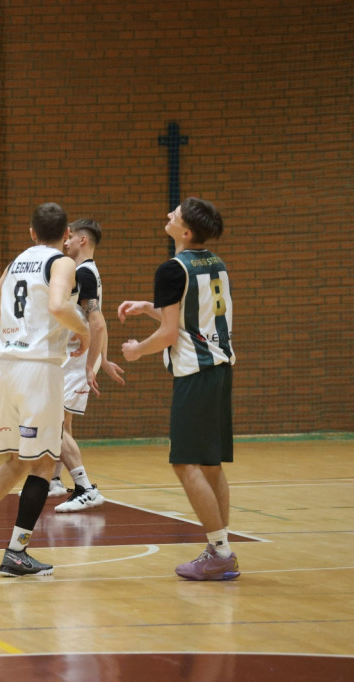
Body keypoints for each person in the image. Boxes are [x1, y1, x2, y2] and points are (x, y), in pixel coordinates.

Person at [0, 202, 89, 577]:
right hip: (38, 370)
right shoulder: (61, 262)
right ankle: (16, 552)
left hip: (5, 367)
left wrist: (22, 327)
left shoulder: (18, 261)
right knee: (42, 461)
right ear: (67, 233)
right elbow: (58, 305)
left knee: (19, 461)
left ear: (31, 232)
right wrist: (82, 328)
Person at [118, 197, 239, 581]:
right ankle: (218, 548)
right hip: (219, 371)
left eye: (176, 214)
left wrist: (138, 350)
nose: (168, 213)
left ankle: (220, 551)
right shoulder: (215, 263)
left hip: (195, 374)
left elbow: (170, 333)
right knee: (210, 464)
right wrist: (148, 306)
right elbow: (191, 316)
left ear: (185, 232)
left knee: (184, 463)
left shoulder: (171, 269)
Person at [51, 219, 126, 513]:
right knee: (62, 422)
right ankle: (55, 480)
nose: (64, 242)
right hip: (77, 356)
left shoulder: (83, 271)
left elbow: (97, 321)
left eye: (69, 238)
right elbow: (96, 320)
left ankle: (85, 487)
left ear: (82, 240)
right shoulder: (86, 272)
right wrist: (103, 359)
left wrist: (90, 365)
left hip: (75, 358)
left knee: (52, 422)